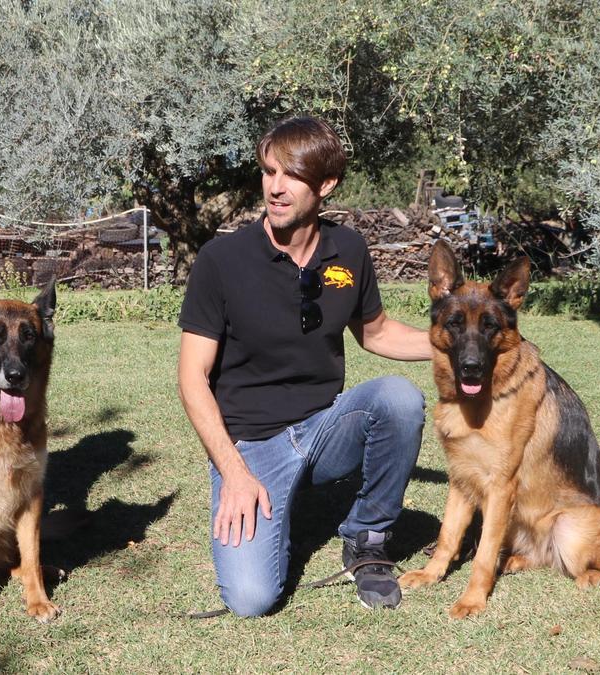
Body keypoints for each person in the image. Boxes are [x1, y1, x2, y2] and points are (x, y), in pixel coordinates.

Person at [177, 116, 431, 617]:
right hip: (251, 446)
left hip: (323, 428)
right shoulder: (222, 260)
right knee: (252, 599)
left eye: (291, 176)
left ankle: (367, 537)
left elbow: (376, 332)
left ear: (326, 185)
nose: (275, 188)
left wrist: (457, 348)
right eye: (269, 172)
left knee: (399, 399)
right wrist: (234, 472)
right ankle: (270, 498)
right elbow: (192, 378)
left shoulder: (350, 250)